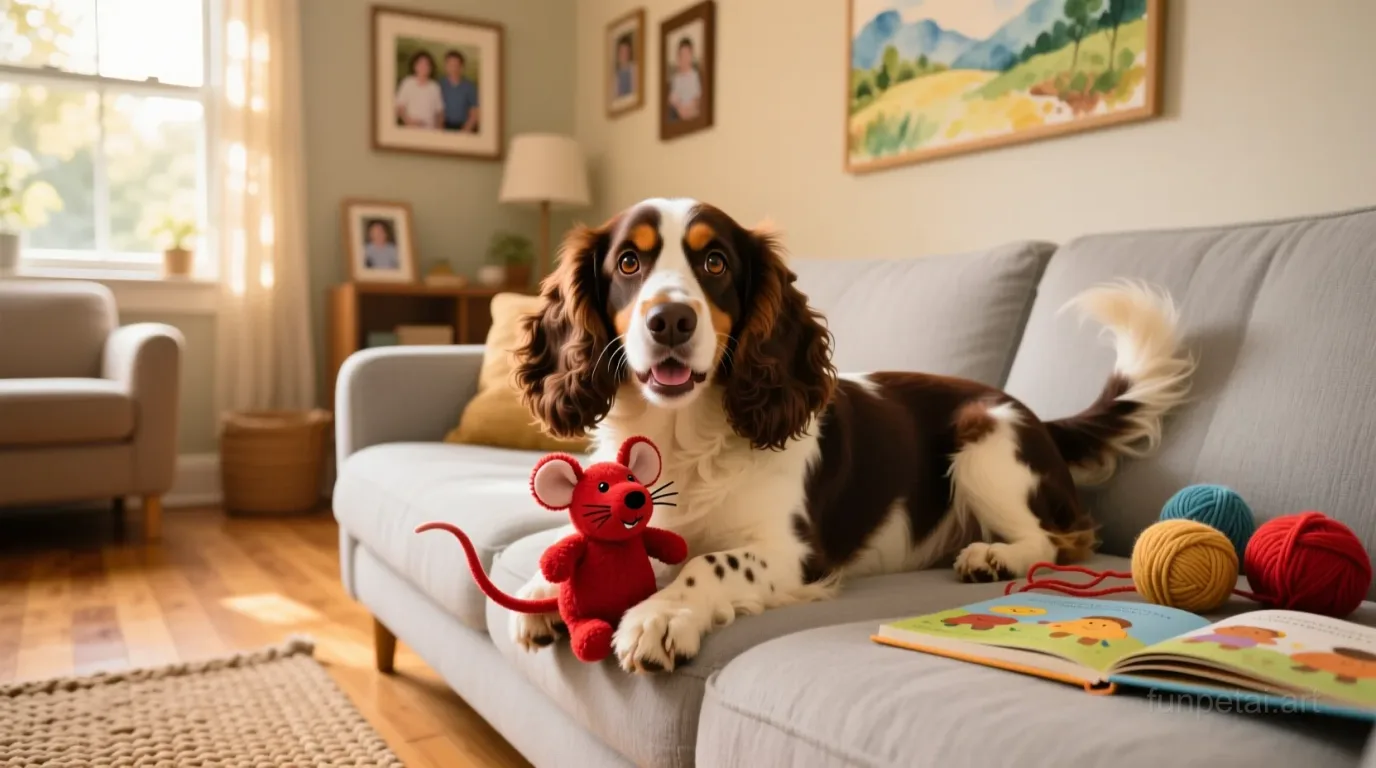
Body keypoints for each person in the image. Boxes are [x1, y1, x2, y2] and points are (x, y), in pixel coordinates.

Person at [394, 50, 444, 129]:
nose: (423, 67)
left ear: (431, 68)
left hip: (430, 130)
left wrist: (439, 129)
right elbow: (399, 107)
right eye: (420, 63)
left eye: (426, 64)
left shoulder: (435, 87)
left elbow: (439, 112)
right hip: (411, 129)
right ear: (415, 66)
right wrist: (408, 121)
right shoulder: (407, 83)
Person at [440, 50, 480, 132]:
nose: (453, 68)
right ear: (445, 66)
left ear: (462, 67)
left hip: (463, 127)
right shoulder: (439, 85)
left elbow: (475, 112)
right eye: (450, 65)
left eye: (456, 65)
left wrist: (465, 130)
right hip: (442, 126)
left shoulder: (470, 86)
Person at [668, 37, 701, 122]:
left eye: (687, 54)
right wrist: (680, 109)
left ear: (691, 55)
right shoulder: (675, 78)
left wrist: (689, 109)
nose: (684, 58)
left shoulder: (695, 76)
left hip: (692, 111)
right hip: (679, 112)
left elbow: (697, 98)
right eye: (682, 55)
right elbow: (673, 98)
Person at [614, 34, 635, 98]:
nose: (624, 55)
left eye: (626, 51)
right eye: (622, 52)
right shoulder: (615, 74)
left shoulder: (634, 70)